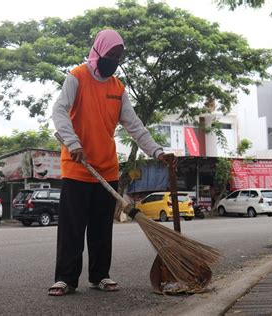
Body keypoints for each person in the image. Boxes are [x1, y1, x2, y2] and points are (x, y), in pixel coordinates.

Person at [50, 29, 167, 296]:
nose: (114, 60)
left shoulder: (118, 88)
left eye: (118, 56)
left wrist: (157, 151)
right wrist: (73, 142)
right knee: (72, 228)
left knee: (102, 229)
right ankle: (66, 279)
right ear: (98, 50)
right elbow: (59, 110)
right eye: (111, 54)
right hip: (78, 167)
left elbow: (134, 126)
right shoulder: (77, 77)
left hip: (106, 169)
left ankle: (100, 275)